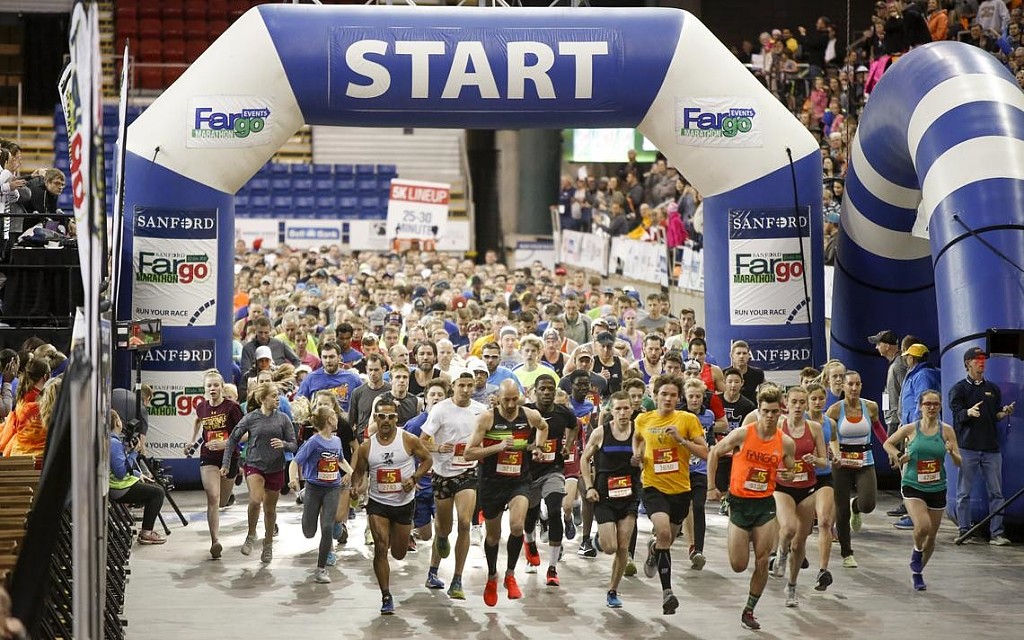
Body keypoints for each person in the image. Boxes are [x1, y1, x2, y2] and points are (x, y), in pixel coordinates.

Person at [708, 385, 796, 631]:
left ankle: (749, 610)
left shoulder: (785, 442)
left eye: (774, 412)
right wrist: (711, 487)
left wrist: (788, 474)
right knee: (738, 565)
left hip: (764, 505)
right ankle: (739, 537)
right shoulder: (743, 434)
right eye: (765, 411)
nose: (770, 416)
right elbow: (715, 452)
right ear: (759, 410)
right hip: (739, 503)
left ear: (780, 412)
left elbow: (790, 468)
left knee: (762, 559)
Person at [464, 379, 548, 607]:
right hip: (491, 482)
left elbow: (543, 427)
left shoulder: (529, 415)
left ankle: (511, 575)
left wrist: (538, 447)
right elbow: (469, 453)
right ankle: (492, 576)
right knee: (493, 536)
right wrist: (498, 447)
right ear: (497, 399)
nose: (511, 405)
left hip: (519, 480)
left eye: (514, 399)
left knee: (517, 526)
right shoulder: (487, 419)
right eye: (506, 400)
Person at [351, 393, 434, 615]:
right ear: (375, 418)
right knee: (380, 546)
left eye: (390, 416)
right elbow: (359, 473)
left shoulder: (409, 440)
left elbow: (427, 460)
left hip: (404, 503)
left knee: (398, 553)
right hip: (378, 503)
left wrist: (414, 478)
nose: (386, 420)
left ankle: (398, 544)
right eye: (381, 416)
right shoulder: (366, 447)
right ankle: (386, 595)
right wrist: (355, 487)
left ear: (396, 418)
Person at [633, 373, 708, 615]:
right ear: (655, 395)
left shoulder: (687, 419)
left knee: (667, 540)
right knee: (664, 532)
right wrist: (638, 455)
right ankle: (667, 593)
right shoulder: (643, 419)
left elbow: (705, 453)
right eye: (663, 394)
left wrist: (682, 440)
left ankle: (654, 550)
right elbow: (637, 439)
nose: (668, 398)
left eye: (673, 395)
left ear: (679, 398)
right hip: (653, 486)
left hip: (680, 490)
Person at [883, 390, 962, 590]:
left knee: (932, 536)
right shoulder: (911, 429)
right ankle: (917, 550)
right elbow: (887, 443)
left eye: (935, 404)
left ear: (940, 407)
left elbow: (959, 461)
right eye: (928, 404)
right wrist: (898, 456)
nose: (932, 407)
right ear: (920, 406)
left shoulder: (946, 431)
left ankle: (918, 573)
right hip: (913, 484)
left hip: (937, 486)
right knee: (923, 526)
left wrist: (952, 453)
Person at [419, 372, 487, 598]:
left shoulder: (480, 410)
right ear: (453, 386)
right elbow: (421, 442)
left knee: (465, 523)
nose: (466, 390)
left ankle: (457, 580)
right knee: (443, 528)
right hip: (443, 474)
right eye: (461, 385)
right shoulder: (440, 410)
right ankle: (433, 571)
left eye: (470, 385)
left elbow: (488, 437)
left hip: (468, 472)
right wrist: (438, 448)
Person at [221, 381, 297, 563]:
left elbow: (294, 444)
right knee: (255, 500)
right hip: (254, 464)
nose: (277, 399)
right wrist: (226, 463)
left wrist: (284, 444)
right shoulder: (251, 418)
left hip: (276, 467)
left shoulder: (283, 419)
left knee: (270, 510)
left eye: (278, 395)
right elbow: (232, 439)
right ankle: (251, 534)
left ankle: (268, 544)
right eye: (274, 396)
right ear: (263, 399)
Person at [580, 391, 640, 608]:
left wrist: (640, 461)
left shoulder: (638, 433)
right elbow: (584, 459)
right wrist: (589, 486)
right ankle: (600, 538)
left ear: (632, 409)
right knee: (610, 548)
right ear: (611, 411)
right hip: (604, 495)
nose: (623, 412)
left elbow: (646, 460)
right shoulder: (601, 433)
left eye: (626, 408)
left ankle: (613, 591)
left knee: (623, 546)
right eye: (618, 409)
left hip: (629, 496)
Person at [950, 346, 1015, 545]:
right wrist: (968, 412)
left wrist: (1004, 412)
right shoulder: (959, 389)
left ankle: (997, 534)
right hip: (968, 448)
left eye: (983, 359)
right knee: (963, 493)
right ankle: (964, 530)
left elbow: (994, 415)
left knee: (996, 493)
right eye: (977, 359)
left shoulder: (993, 389)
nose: (981, 362)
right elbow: (957, 415)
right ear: (967, 363)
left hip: (991, 449)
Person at [769, 386, 828, 608]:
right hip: (782, 486)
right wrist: (779, 469)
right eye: (794, 402)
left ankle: (792, 586)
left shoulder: (814, 428)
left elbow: (824, 461)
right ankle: (780, 553)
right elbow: (768, 455)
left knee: (799, 542)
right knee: (788, 529)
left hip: (808, 487)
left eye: (802, 402)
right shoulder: (779, 426)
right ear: (786, 402)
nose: (798, 406)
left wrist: (814, 460)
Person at [288, 405, 353, 583]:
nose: (338, 418)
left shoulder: (337, 441)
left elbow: (340, 460)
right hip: (314, 488)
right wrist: (293, 478)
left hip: (332, 488)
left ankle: (321, 569)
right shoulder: (313, 442)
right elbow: (295, 462)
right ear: (329, 420)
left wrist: (351, 473)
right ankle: (303, 495)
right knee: (309, 532)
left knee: (327, 527)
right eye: (335, 416)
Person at [523, 374, 577, 586]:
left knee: (555, 511)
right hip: (528, 473)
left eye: (550, 389)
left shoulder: (563, 413)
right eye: (542, 389)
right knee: (530, 517)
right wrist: (529, 448)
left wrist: (568, 445)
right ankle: (530, 542)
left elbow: (574, 426)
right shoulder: (526, 412)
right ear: (535, 391)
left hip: (553, 470)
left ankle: (552, 568)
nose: (546, 392)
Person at [826, 370, 881, 568]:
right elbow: (827, 435)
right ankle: (847, 553)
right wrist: (830, 454)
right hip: (841, 463)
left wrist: (890, 449)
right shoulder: (834, 410)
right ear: (843, 386)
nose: (854, 388)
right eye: (850, 384)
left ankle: (855, 506)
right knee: (841, 511)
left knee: (868, 504)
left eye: (858, 384)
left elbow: (878, 429)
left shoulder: (871, 407)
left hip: (865, 460)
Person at [188, 369, 244, 559]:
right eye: (209, 386)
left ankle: (236, 475)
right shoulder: (201, 407)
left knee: (221, 501)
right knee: (213, 497)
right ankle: (215, 541)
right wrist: (192, 441)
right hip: (208, 457)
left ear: (222, 387)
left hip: (229, 457)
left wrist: (226, 443)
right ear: (205, 388)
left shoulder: (232, 408)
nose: (212, 388)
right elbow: (198, 420)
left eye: (215, 385)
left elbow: (245, 434)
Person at [109, 411, 166, 545]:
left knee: (154, 488)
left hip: (117, 484)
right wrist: (134, 453)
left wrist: (138, 474)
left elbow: (118, 467)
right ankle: (146, 533)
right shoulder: (113, 443)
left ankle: (146, 530)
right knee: (158, 493)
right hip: (118, 487)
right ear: (117, 423)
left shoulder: (111, 440)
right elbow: (120, 472)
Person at [805, 382, 837, 591]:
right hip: (802, 477)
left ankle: (823, 571)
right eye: (814, 399)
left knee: (825, 521)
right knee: (803, 529)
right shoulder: (799, 420)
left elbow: (833, 441)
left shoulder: (830, 423)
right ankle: (793, 551)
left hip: (824, 476)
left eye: (821, 398)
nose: (818, 402)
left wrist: (835, 454)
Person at [296, 342, 363, 414]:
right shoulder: (310, 379)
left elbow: (364, 401)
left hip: (344, 419)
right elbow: (298, 403)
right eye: (325, 357)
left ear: (339, 357)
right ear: (321, 358)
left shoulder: (352, 379)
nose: (328, 361)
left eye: (331, 357)